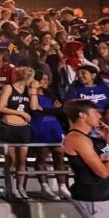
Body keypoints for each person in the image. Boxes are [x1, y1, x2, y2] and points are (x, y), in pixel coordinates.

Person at [0, 67, 37, 200]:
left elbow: (33, 107)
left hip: (23, 127)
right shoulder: (9, 88)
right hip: (9, 126)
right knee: (11, 160)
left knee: (22, 160)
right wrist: (19, 112)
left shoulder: (28, 90)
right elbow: (0, 107)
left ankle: (21, 187)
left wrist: (33, 92)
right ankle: (11, 187)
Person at [30, 72, 70, 201]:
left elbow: (61, 109)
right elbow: (34, 111)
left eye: (47, 79)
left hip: (54, 126)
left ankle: (62, 186)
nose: (46, 82)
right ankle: (44, 186)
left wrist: (47, 110)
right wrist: (51, 109)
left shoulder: (50, 93)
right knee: (42, 156)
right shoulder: (31, 93)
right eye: (43, 79)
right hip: (40, 126)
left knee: (60, 154)